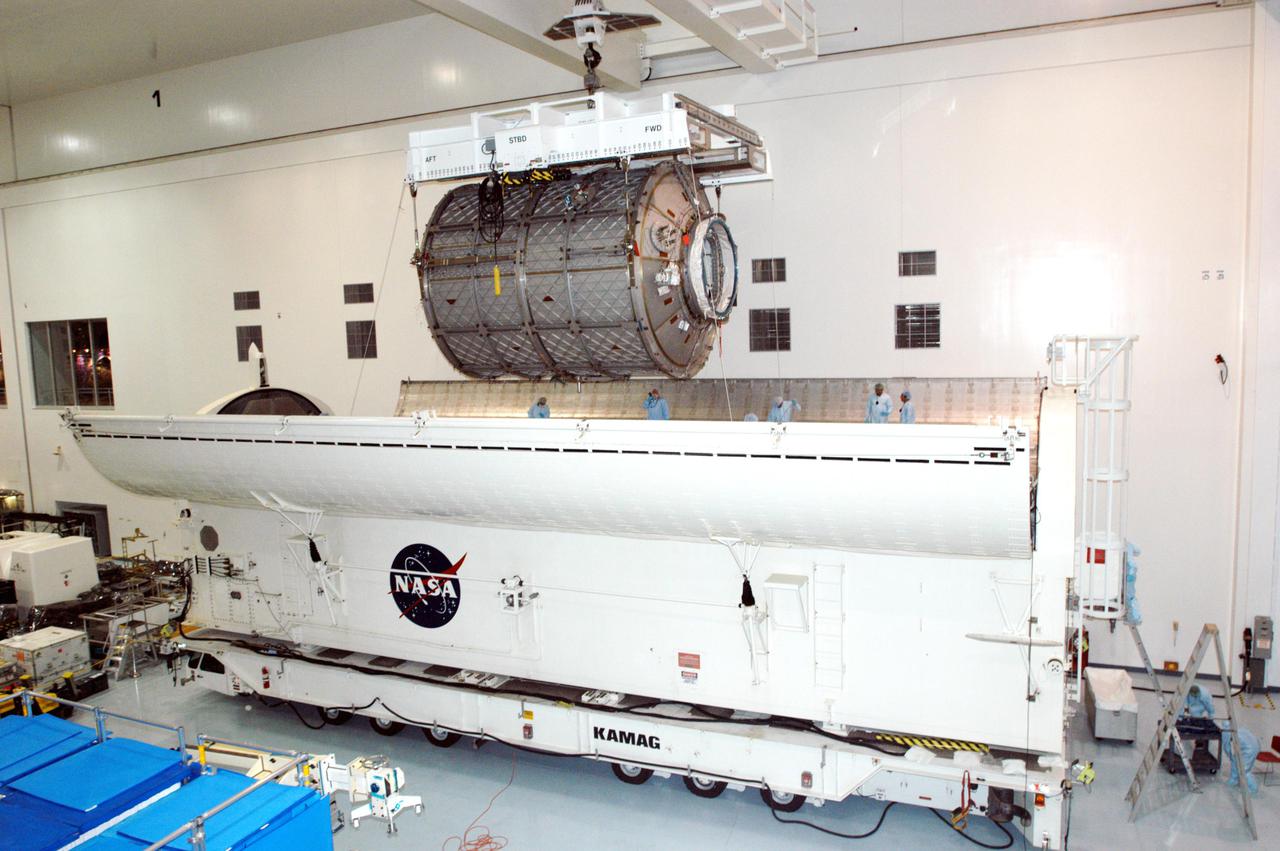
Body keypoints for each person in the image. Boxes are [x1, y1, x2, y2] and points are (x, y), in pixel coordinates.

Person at [1223, 721, 1261, 796]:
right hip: (1255, 745)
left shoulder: (1226, 731)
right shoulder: (1238, 728)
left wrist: (1230, 756)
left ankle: (1253, 788)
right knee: (1235, 760)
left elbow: (1226, 746)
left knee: (1243, 769)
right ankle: (1234, 779)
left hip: (1249, 749)